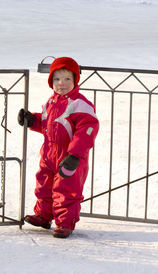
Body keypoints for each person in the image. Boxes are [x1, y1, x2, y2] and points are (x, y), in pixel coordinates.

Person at [18, 56, 99, 238]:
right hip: (48, 154)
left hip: (70, 157)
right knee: (44, 185)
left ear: (75, 80)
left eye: (67, 79)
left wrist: (75, 155)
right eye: (56, 79)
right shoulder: (51, 102)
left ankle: (64, 223)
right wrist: (33, 120)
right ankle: (43, 216)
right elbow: (48, 124)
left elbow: (87, 130)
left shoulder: (80, 104)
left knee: (66, 190)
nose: (61, 83)